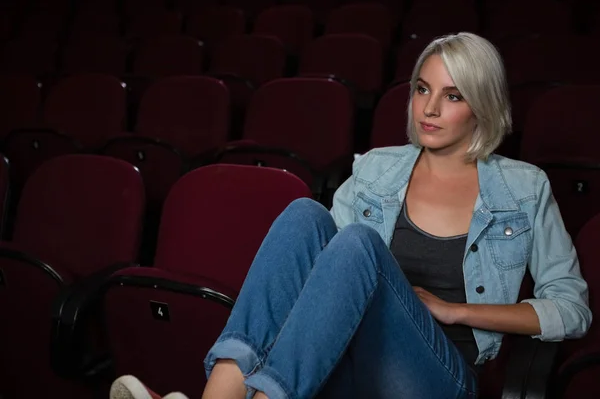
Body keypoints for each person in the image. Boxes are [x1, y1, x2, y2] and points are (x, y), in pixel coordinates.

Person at [110, 32, 592, 399]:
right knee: (304, 215)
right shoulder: (377, 170)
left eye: (452, 95)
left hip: (440, 377)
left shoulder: (525, 189)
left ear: (481, 106)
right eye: (422, 89)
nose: (429, 108)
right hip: (347, 359)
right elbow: (322, 276)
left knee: (360, 243)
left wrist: (454, 310)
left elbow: (571, 309)